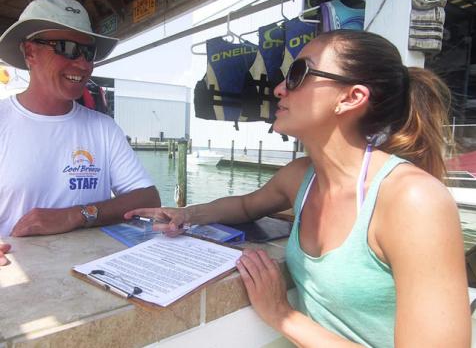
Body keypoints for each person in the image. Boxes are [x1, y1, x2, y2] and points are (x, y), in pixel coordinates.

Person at [125, 29, 471, 347]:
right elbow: (247, 206)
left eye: (298, 75)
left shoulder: (412, 201)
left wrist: (280, 313)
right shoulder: (301, 177)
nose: (278, 88)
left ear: (350, 97)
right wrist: (185, 214)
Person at [0, 0, 161, 265]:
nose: (84, 65)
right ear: (30, 52)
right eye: (66, 47)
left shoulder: (103, 128)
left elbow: (148, 198)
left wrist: (76, 215)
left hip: (93, 276)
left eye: (89, 52)